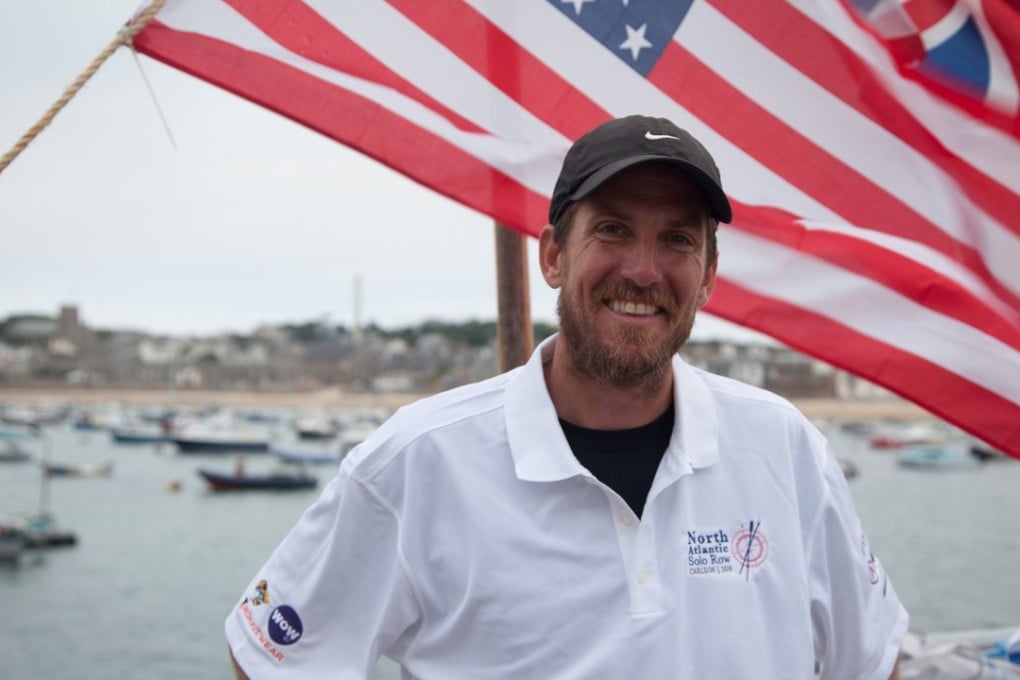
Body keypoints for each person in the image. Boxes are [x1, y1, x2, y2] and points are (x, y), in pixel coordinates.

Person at [226, 115, 908, 679]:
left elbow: (873, 661)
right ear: (553, 254)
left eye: (677, 240)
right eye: (612, 230)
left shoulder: (783, 449)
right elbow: (271, 657)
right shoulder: (419, 460)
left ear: (707, 277)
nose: (643, 271)